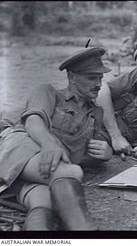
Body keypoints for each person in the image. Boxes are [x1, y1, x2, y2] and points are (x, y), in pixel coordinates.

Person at [0, 47, 113, 230]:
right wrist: (49, 144)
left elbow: (90, 151)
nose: (98, 84)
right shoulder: (48, 92)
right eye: (91, 78)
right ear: (72, 77)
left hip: (40, 167)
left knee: (45, 203)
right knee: (72, 173)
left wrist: (106, 153)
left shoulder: (95, 114)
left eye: (100, 78)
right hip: (20, 148)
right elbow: (33, 120)